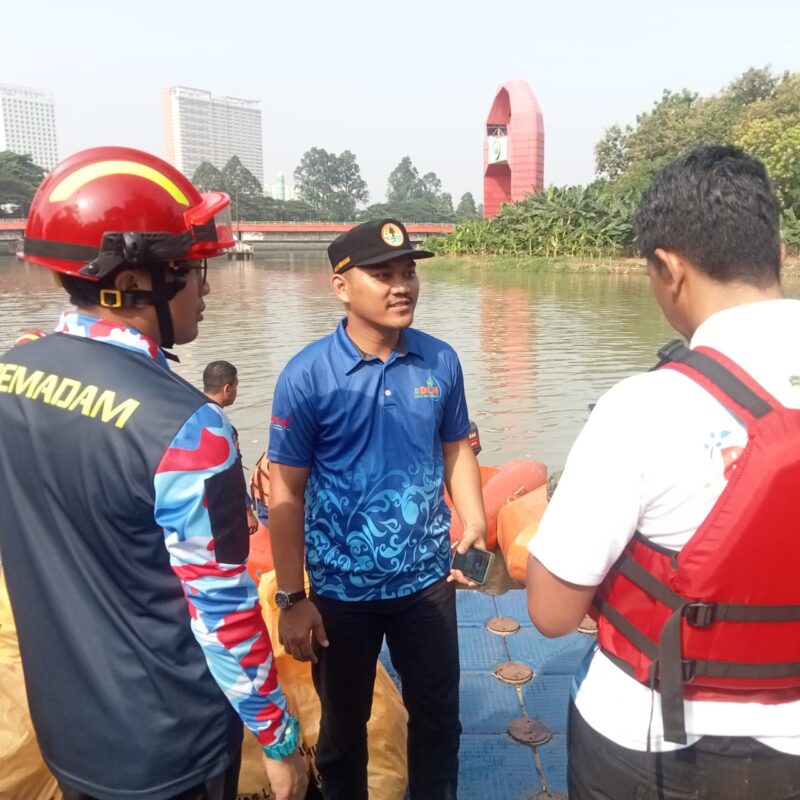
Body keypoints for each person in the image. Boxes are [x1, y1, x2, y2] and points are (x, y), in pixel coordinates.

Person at [0, 147, 307, 800]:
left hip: (68, 733)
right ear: (136, 280)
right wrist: (278, 740)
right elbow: (223, 613)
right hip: (172, 747)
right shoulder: (188, 428)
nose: (207, 289)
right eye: (193, 269)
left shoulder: (11, 374)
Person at [526, 146, 800, 799]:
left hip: (652, 744)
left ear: (669, 269)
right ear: (779, 252)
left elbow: (552, 612)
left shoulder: (643, 407)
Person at [267, 218, 487, 800]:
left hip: (426, 584)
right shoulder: (308, 376)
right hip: (341, 593)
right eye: (383, 274)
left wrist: (475, 521)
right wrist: (291, 598)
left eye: (408, 272)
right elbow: (285, 493)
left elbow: (455, 447)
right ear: (341, 286)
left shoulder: (440, 362)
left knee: (438, 720)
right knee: (343, 732)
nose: (402, 286)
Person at [203, 359, 258, 535]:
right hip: (222, 508)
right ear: (227, 388)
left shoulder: (195, 413)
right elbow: (232, 471)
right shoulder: (222, 427)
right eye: (236, 385)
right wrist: (247, 511)